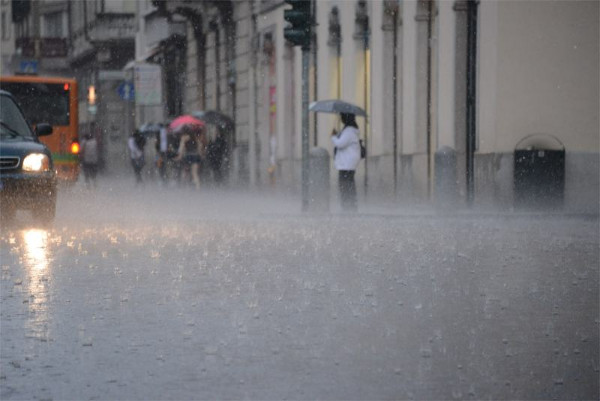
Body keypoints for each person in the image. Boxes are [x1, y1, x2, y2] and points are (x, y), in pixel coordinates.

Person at [331, 112, 361, 211]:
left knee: (345, 185)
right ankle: (349, 204)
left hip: (346, 164)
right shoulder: (351, 130)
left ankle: (348, 205)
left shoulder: (349, 131)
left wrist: (333, 137)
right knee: (348, 184)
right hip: (348, 163)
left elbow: (340, 144)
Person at [175, 125, 206, 190]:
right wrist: (201, 154)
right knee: (194, 173)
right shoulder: (194, 137)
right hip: (195, 155)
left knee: (185, 172)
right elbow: (199, 146)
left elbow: (181, 148)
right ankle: (198, 187)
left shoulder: (184, 137)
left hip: (188, 156)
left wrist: (179, 156)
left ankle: (185, 186)